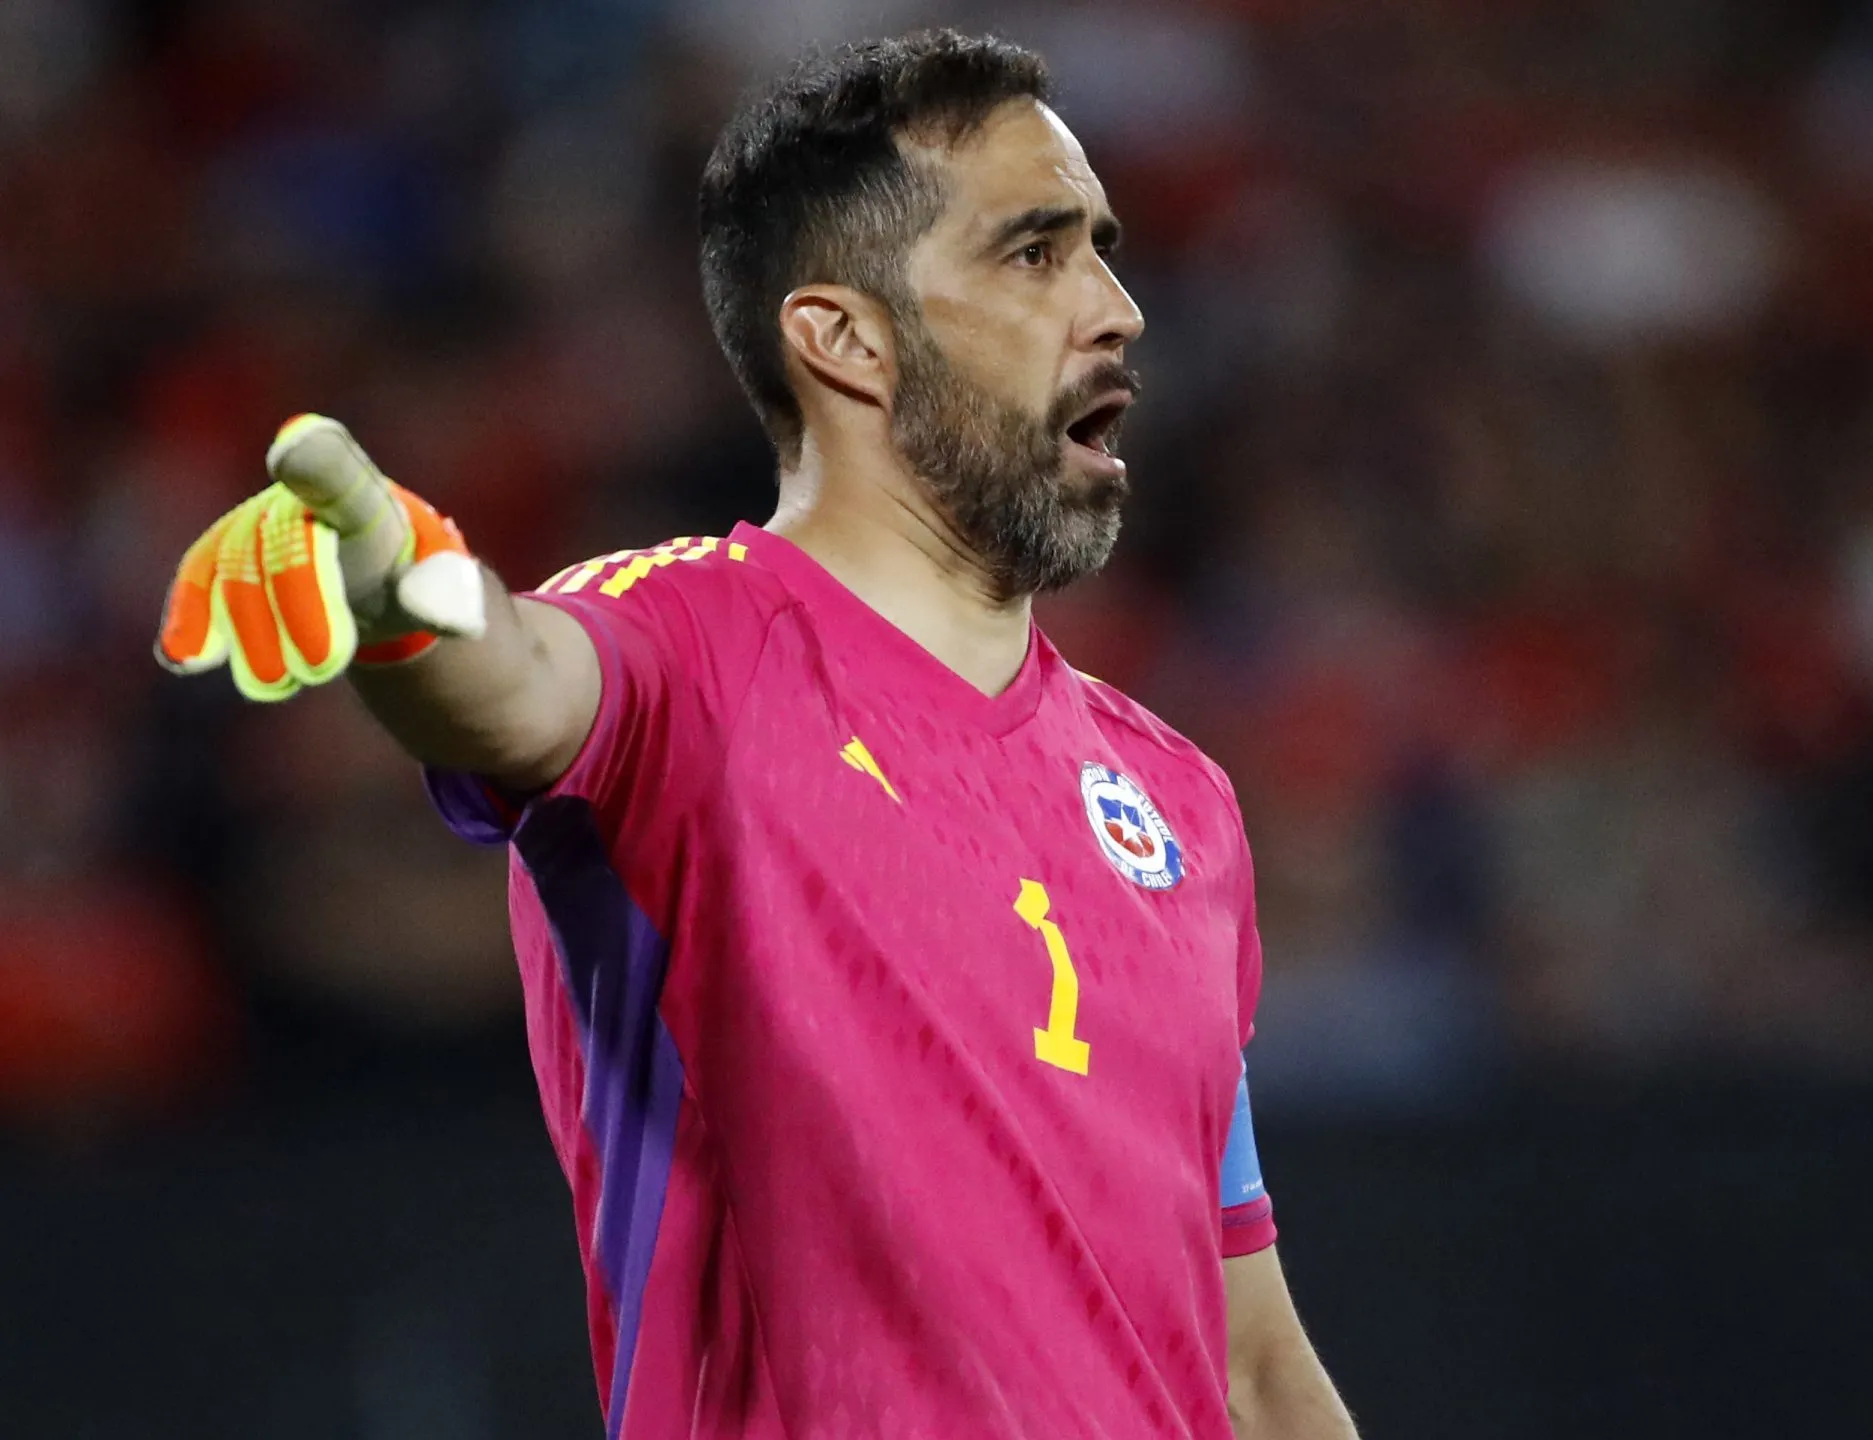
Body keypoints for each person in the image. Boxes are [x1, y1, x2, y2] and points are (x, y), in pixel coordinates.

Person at [154, 30, 1358, 1440]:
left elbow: (1251, 1366)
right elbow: (519, 682)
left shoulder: (1179, 802)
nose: (1118, 309)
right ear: (844, 338)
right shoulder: (693, 651)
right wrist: (403, 601)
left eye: (1103, 249)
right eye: (1035, 254)